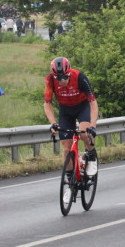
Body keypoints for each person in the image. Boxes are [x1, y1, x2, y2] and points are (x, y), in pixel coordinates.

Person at [45, 57, 98, 204]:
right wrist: (53, 123)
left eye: (65, 77)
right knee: (66, 149)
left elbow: (93, 102)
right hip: (65, 111)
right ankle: (69, 184)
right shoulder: (50, 80)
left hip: (82, 107)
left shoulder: (79, 77)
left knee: (84, 134)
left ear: (69, 72)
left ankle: (91, 155)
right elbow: (47, 103)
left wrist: (92, 126)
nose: (62, 80)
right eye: (59, 78)